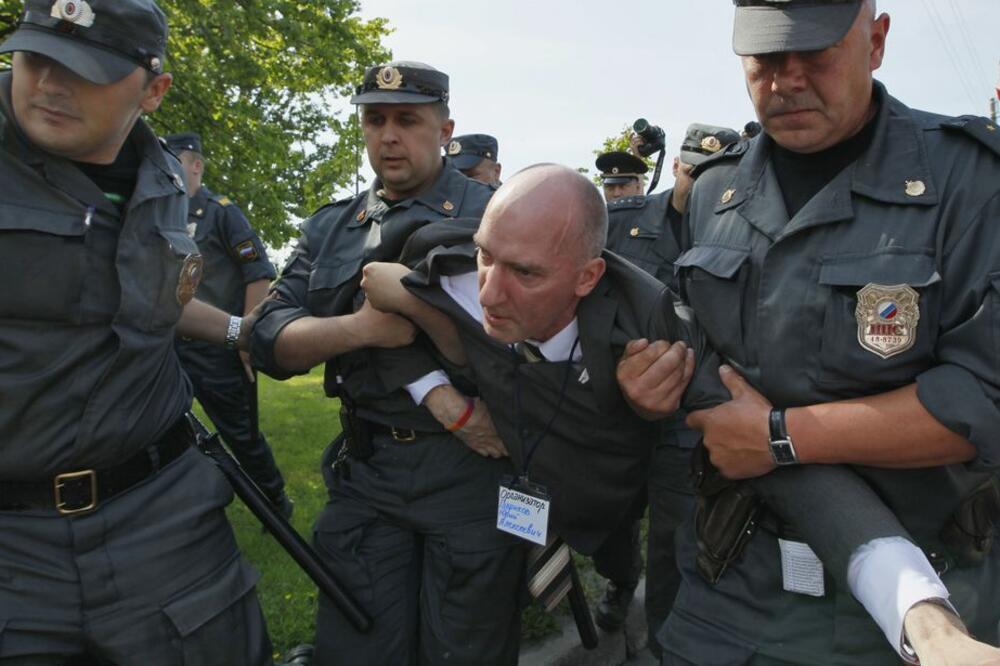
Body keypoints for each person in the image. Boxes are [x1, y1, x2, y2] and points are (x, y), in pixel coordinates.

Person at [622, 1, 1000, 663]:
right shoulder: (716, 192)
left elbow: (983, 400)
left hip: (918, 603)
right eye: (766, 58)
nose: (787, 79)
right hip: (730, 586)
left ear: (876, 42)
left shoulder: (970, 182)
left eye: (816, 53)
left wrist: (780, 438)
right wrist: (653, 383)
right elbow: (701, 359)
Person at [0, 1, 272, 663]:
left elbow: (155, 302)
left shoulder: (165, 182)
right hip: (14, 544)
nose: (50, 85)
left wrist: (248, 333)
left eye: (84, 69)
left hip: (163, 519)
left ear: (152, 90)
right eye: (35, 58)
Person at [250, 61, 524, 665]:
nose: (389, 136)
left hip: (471, 471)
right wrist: (360, 329)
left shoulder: (498, 218)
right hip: (369, 470)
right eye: (375, 120)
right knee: (360, 645)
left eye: (407, 120)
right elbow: (266, 338)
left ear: (445, 127)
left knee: (465, 649)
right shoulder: (332, 227)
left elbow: (531, 344)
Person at [601, 123, 739, 651]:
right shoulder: (623, 222)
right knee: (608, 523)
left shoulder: (741, 228)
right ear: (678, 167)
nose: (702, 181)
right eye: (693, 170)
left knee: (674, 543)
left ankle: (662, 647)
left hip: (688, 420)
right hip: (614, 412)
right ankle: (615, 584)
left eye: (717, 171)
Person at [164, 131, 291, 518]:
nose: (165, 171)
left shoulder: (221, 212)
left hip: (218, 347)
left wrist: (244, 339)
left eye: (174, 163)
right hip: (169, 347)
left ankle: (274, 502)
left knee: (241, 434)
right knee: (167, 432)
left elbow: (257, 273)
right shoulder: (159, 213)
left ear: (196, 165)